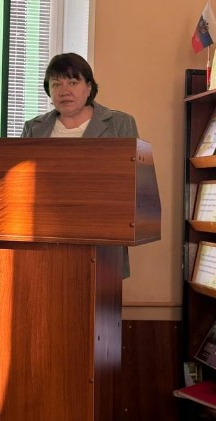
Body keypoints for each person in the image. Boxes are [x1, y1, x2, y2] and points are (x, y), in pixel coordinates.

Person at [21, 52, 139, 276]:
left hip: (101, 244)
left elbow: (135, 185)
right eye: (56, 84)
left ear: (89, 87)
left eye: (73, 82)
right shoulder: (33, 129)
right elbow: (22, 188)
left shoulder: (120, 124)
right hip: (45, 243)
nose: (64, 91)